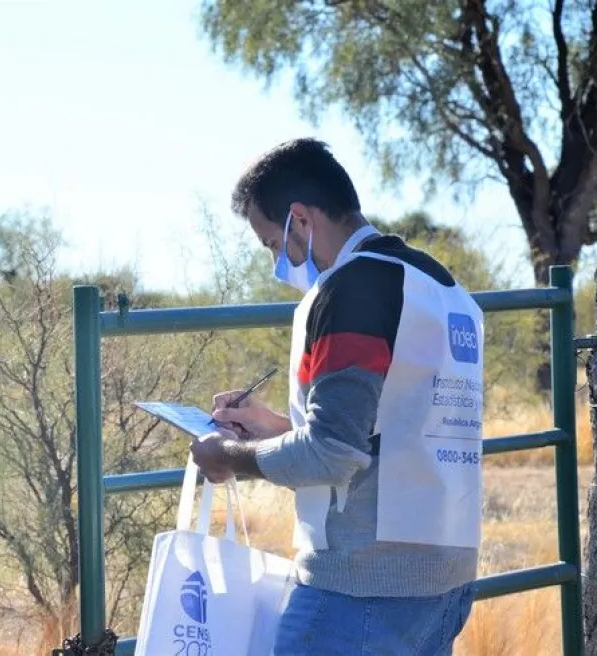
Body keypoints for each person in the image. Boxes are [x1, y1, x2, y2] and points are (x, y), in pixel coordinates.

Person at [190, 138, 483, 654]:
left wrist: (229, 458)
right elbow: (379, 434)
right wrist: (276, 427)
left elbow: (331, 454)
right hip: (444, 579)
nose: (275, 259)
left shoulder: (352, 289)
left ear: (299, 220)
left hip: (361, 588)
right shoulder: (439, 286)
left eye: (270, 243)